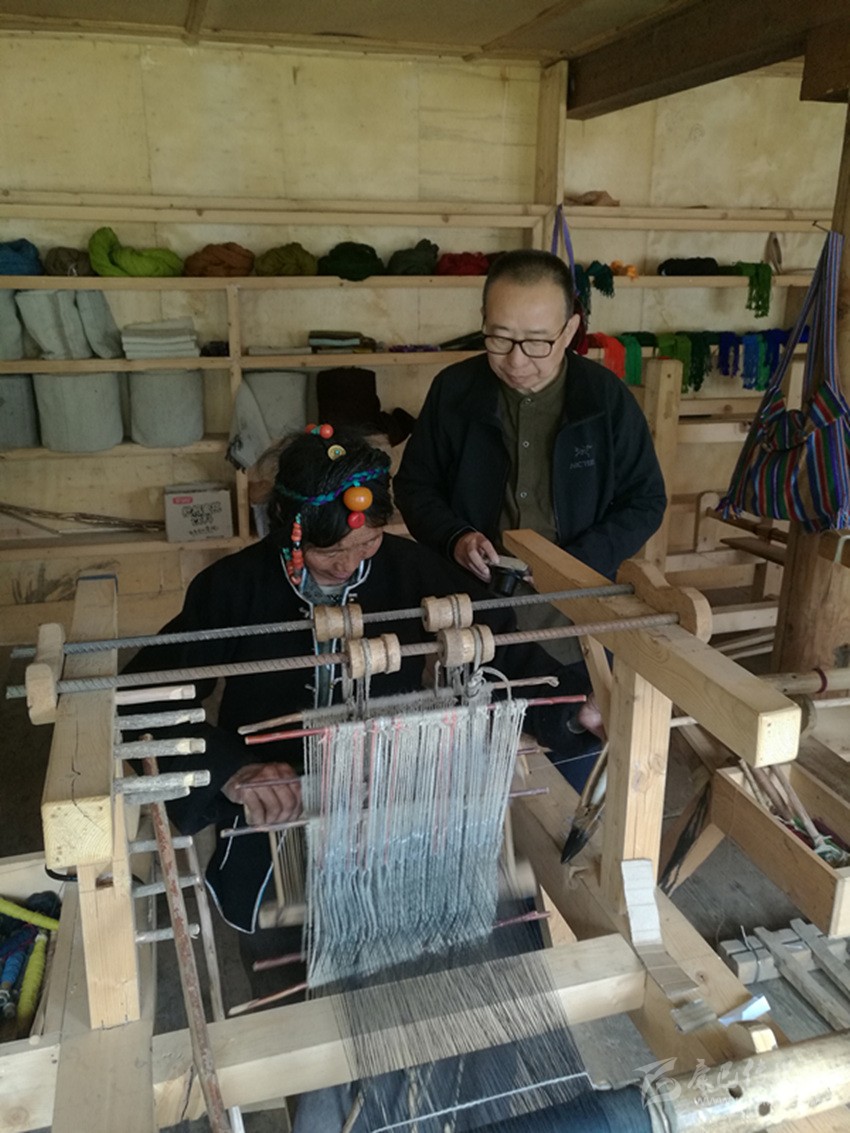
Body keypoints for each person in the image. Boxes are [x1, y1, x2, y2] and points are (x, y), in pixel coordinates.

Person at [123, 426, 597, 941]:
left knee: (471, 936)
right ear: (287, 525)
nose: (349, 564)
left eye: (367, 542)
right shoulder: (233, 588)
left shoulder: (415, 572)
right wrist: (234, 771)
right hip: (282, 818)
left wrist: (572, 708)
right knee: (294, 953)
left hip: (401, 812)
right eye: (329, 551)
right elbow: (141, 699)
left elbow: (505, 654)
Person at [393, 248, 667, 585]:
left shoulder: (604, 397)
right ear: (484, 319)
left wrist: (579, 562)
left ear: (569, 330)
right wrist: (456, 539)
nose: (516, 361)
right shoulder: (453, 390)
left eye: (537, 343)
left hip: (577, 586)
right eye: (500, 338)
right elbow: (414, 486)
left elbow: (645, 500)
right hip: (471, 584)